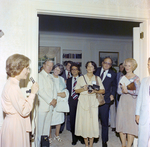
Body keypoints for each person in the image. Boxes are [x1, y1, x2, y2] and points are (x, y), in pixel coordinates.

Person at [0, 54, 39, 147]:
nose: (28, 71)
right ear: (19, 68)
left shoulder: (12, 83)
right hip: (15, 126)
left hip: (15, 123)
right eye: (27, 68)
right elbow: (24, 111)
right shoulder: (12, 86)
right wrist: (33, 94)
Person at [75, 61, 105, 147]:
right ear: (86, 68)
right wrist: (83, 88)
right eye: (88, 66)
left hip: (93, 102)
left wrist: (95, 91)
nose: (89, 68)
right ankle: (86, 145)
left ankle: (91, 145)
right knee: (84, 123)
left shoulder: (97, 78)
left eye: (91, 66)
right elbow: (76, 90)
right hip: (83, 102)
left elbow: (103, 90)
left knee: (92, 123)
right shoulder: (81, 78)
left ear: (94, 69)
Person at [116, 58, 140, 147]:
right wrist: (123, 91)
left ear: (133, 67)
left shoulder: (136, 78)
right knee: (121, 123)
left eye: (129, 66)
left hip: (131, 102)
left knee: (130, 125)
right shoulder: (122, 77)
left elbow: (138, 92)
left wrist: (128, 91)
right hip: (122, 101)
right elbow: (118, 91)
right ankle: (123, 144)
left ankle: (129, 145)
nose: (127, 67)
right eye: (126, 65)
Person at [95, 57, 117, 147]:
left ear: (111, 65)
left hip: (105, 99)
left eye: (109, 64)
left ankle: (104, 140)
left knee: (104, 121)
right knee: (94, 120)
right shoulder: (96, 70)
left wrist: (112, 94)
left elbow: (114, 86)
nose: (107, 65)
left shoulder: (113, 74)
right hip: (94, 98)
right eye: (105, 63)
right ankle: (95, 137)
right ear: (102, 63)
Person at [37, 59, 57, 146]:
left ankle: (44, 144)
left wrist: (55, 99)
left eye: (51, 66)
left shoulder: (51, 76)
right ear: (44, 65)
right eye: (48, 65)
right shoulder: (39, 76)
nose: (50, 68)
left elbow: (55, 89)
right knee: (39, 128)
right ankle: (38, 144)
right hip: (42, 106)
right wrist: (50, 100)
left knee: (46, 127)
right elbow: (40, 91)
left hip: (50, 107)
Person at [49, 63, 69, 143]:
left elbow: (64, 90)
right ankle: (49, 136)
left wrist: (62, 94)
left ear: (61, 72)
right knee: (50, 120)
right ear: (53, 69)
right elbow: (48, 91)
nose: (57, 71)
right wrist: (57, 94)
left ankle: (57, 135)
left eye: (59, 70)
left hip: (60, 102)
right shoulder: (49, 77)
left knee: (59, 120)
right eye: (56, 69)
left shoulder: (61, 79)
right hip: (51, 101)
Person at [67, 63, 84, 145]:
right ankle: (74, 138)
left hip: (80, 100)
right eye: (72, 69)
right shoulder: (69, 80)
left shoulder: (82, 79)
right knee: (73, 120)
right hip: (72, 101)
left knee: (81, 120)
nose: (74, 70)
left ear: (78, 70)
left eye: (75, 69)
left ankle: (81, 137)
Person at [135, 57, 150, 147]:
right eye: (148, 65)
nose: (149, 67)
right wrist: (137, 113)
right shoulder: (145, 80)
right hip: (145, 115)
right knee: (142, 139)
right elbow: (140, 98)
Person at [59, 60, 73, 133]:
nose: (69, 67)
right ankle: (61, 128)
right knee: (63, 111)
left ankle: (69, 127)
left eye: (71, 66)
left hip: (71, 94)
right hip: (63, 94)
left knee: (70, 110)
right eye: (68, 65)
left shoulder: (74, 73)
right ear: (65, 66)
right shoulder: (61, 73)